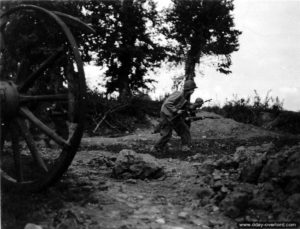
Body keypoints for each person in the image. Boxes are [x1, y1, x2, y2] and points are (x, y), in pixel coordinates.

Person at [152, 79, 198, 152]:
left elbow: (183, 106)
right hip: (166, 114)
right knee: (167, 134)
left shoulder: (185, 97)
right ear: (188, 89)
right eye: (192, 89)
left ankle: (185, 147)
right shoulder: (179, 94)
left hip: (174, 115)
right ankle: (156, 148)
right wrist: (176, 110)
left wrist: (192, 106)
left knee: (184, 129)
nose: (193, 91)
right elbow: (167, 104)